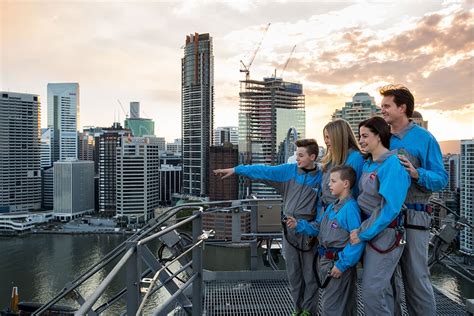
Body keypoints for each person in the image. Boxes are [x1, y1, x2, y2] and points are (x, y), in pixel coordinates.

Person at [213, 139, 322, 316]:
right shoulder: (289, 170)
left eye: (301, 155)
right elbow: (263, 170)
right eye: (296, 154)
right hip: (289, 230)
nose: (297, 158)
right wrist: (236, 170)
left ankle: (309, 312)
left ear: (313, 157)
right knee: (294, 273)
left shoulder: (321, 177)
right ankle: (297, 309)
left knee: (310, 274)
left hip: (309, 231)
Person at [379, 84, 448, 315]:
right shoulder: (383, 138)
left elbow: (441, 179)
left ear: (402, 107)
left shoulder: (424, 139)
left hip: (415, 216)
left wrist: (417, 173)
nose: (383, 110)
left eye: (387, 106)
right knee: (386, 279)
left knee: (416, 277)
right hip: (386, 217)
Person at [349, 116, 411, 315]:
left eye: (366, 136)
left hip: (384, 234)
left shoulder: (392, 164)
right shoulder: (369, 164)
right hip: (370, 232)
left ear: (379, 135)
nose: (362, 140)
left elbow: (389, 208)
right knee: (385, 290)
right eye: (360, 136)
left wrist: (362, 232)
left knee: (372, 292)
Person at [287, 165, 364, 316]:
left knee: (331, 307)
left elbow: (356, 241)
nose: (329, 185)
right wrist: (298, 225)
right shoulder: (332, 207)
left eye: (334, 181)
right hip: (327, 262)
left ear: (346, 184)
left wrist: (341, 265)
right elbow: (318, 227)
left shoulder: (350, 209)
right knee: (344, 306)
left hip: (337, 264)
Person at [320, 119, 364, 208]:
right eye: (325, 137)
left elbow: (356, 193)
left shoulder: (356, 159)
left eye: (328, 137)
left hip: (341, 214)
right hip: (326, 213)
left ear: (338, 137)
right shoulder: (329, 160)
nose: (325, 141)